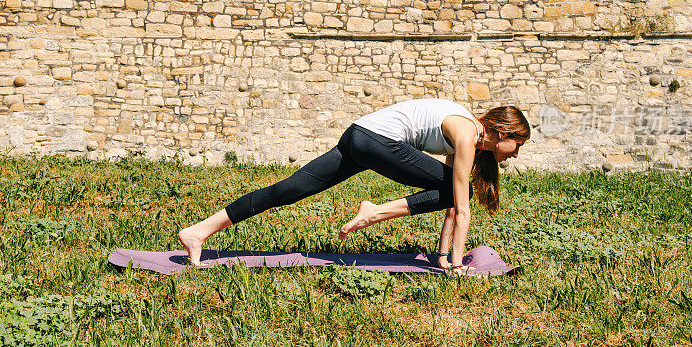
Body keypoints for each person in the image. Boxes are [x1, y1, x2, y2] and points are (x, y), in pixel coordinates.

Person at [178, 98, 530, 274]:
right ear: (503, 134)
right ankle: (372, 211)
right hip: (376, 141)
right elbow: (463, 206)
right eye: (518, 146)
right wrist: (457, 266)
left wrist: (443, 256)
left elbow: (451, 206)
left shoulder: (464, 134)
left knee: (287, 190)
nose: (516, 155)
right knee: (463, 190)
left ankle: (199, 231)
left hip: (358, 136)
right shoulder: (468, 134)